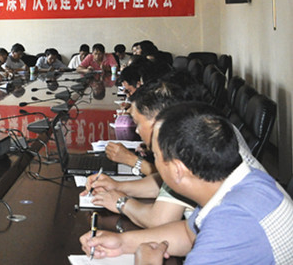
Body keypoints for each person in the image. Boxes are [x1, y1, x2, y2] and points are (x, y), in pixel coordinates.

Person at [81, 103, 293, 264]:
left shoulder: (232, 225)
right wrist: (122, 243)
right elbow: (188, 233)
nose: (154, 164)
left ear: (177, 170)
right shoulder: (244, 182)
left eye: (156, 156)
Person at [83, 72, 264, 229]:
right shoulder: (198, 124)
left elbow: (160, 220)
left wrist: (121, 202)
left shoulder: (189, 143)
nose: (136, 131)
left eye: (137, 123)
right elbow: (166, 185)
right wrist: (117, 186)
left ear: (157, 120)